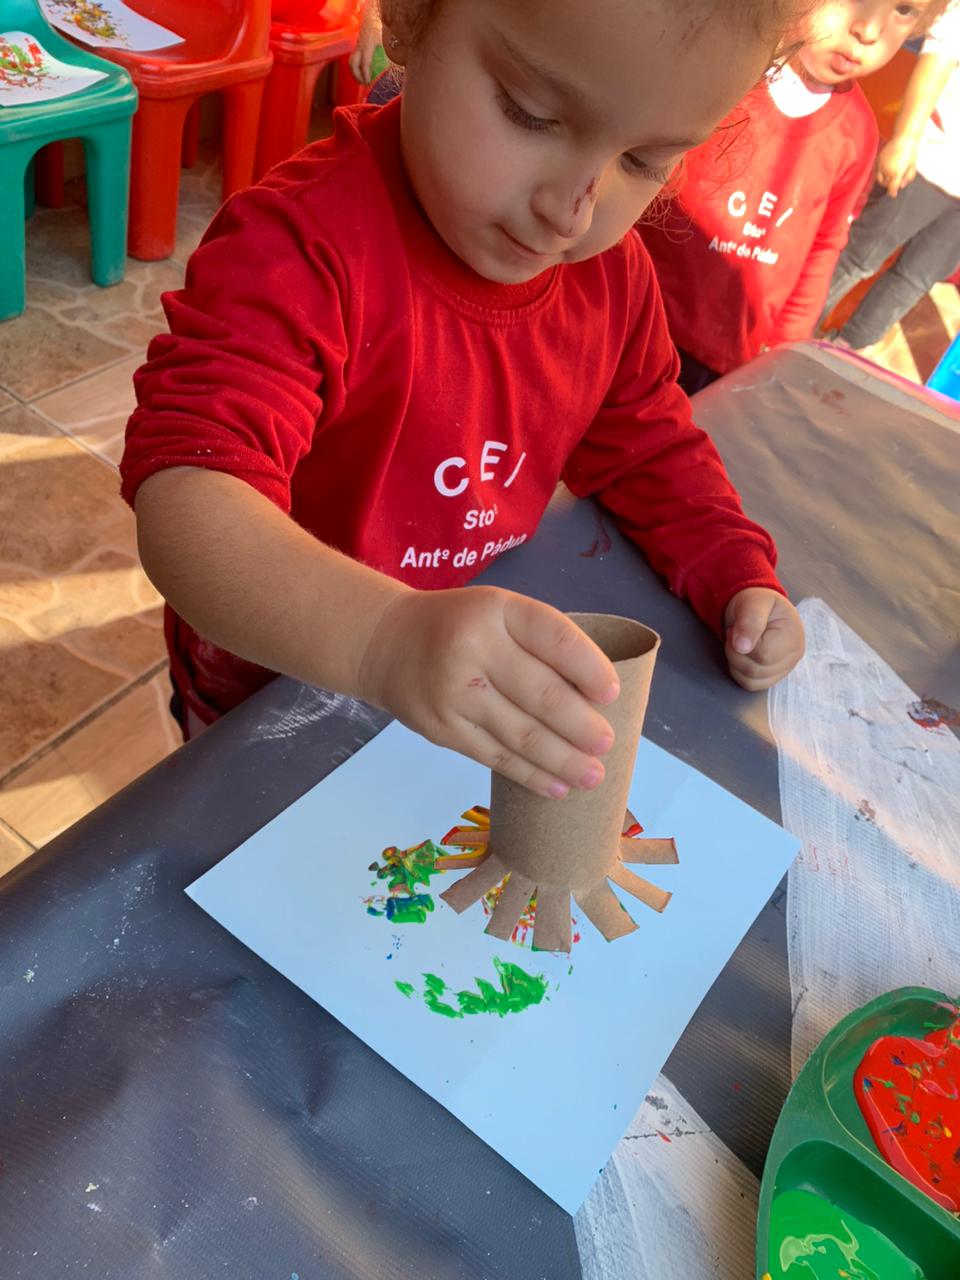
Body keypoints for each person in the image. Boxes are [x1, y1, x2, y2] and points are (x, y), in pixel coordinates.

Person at [121, 0, 806, 803]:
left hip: (456, 689)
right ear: (410, 19)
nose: (573, 209)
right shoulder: (298, 250)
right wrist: (383, 640)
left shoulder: (613, 280)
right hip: (275, 691)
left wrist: (734, 569)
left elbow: (650, 447)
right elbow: (189, 495)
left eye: (645, 161)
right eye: (531, 114)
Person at [642, 0, 947, 394]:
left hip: (731, 362)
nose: (869, 31)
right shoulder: (721, 71)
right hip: (639, 323)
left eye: (903, 9)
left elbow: (823, 246)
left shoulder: (857, 134)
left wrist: (785, 350)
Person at [820, 2, 960, 350]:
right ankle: (790, 334)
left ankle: (849, 350)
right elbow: (940, 57)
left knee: (917, 278)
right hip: (931, 160)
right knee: (859, 257)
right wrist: (905, 140)